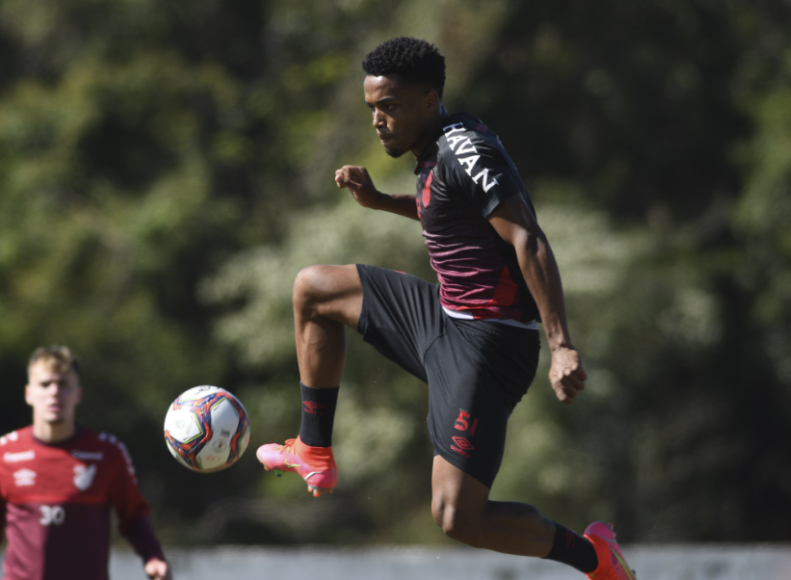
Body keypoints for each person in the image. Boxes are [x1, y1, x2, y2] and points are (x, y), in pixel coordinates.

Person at [255, 37, 635, 579]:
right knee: (314, 288)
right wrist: (382, 203)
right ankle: (313, 451)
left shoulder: (466, 149)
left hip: (489, 342)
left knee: (456, 516)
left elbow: (528, 239)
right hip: (442, 315)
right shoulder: (432, 148)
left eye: (390, 107)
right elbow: (450, 212)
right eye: (371, 109)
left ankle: (595, 557)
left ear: (430, 100)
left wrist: (562, 345)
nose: (378, 121)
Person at [0, 346, 172, 580]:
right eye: (45, 384)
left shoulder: (107, 453)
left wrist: (153, 556)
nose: (54, 392)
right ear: (28, 393)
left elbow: (133, 517)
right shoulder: (1, 454)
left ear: (78, 394)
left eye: (63, 384)